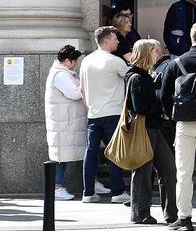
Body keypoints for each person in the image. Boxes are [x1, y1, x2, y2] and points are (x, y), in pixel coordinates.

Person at [160, 22, 196, 231]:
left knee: (183, 172)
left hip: (183, 123)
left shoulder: (176, 63)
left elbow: (165, 95)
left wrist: (172, 114)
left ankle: (185, 218)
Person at [125, 40, 178, 225]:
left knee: (168, 169)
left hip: (154, 128)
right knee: (142, 172)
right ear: (146, 53)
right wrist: (159, 106)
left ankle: (171, 213)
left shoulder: (145, 76)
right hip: (145, 128)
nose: (158, 54)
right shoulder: (137, 77)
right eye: (155, 51)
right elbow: (140, 107)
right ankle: (140, 213)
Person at [79, 26, 131, 204]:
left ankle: (88, 192)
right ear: (107, 40)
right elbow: (131, 79)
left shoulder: (86, 61)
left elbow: (82, 89)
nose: (118, 41)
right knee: (114, 152)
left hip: (93, 113)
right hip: (113, 112)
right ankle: (117, 192)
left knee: (91, 153)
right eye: (115, 38)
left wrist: (90, 107)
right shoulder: (115, 61)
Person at [44, 45, 86, 200]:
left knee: (68, 153)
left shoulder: (64, 73)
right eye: (74, 61)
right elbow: (74, 93)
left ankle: (91, 182)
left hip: (68, 122)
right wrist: (86, 85)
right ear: (67, 61)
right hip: (63, 123)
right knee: (61, 156)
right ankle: (57, 187)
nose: (76, 64)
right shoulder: (60, 75)